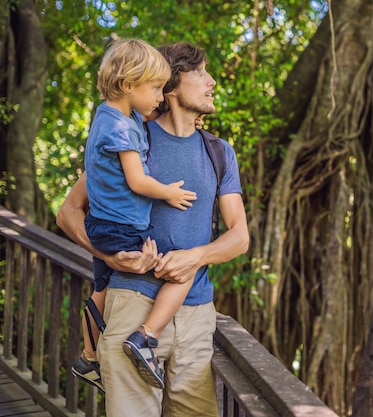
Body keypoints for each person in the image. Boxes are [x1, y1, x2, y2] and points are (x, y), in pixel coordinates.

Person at [57, 42, 249, 416]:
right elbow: (68, 213)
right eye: (201, 72)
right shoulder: (131, 137)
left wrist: (195, 258)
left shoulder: (220, 151)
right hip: (132, 303)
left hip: (196, 316)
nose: (212, 81)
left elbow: (239, 237)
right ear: (173, 85)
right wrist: (110, 256)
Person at [70, 38, 201, 393]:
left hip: (100, 223)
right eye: (156, 88)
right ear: (128, 85)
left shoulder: (105, 115)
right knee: (183, 270)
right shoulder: (124, 128)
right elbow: (137, 180)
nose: (160, 97)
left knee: (101, 287)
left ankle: (87, 356)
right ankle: (146, 337)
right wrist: (170, 193)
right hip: (121, 227)